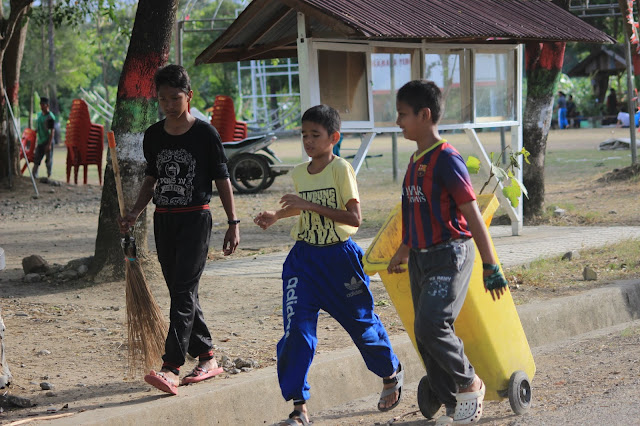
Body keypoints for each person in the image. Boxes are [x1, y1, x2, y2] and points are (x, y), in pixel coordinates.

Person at [254, 104, 403, 425]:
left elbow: (354, 217)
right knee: (295, 333)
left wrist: (307, 204)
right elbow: (303, 209)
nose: (308, 141)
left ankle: (390, 373)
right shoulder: (298, 172)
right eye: (304, 134)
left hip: (340, 260)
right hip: (303, 261)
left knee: (362, 328)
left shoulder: (341, 170)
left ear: (333, 137)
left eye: (315, 135)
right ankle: (299, 407)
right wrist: (277, 215)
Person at [388, 80, 509, 425]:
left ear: (424, 115)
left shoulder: (447, 159)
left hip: (449, 254)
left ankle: (470, 383)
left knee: (432, 325)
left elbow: (472, 216)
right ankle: (454, 404)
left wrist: (490, 265)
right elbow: (415, 213)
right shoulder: (414, 160)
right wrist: (402, 251)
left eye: (403, 115)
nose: (398, 122)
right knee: (423, 335)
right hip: (420, 258)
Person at [118, 64, 240, 396]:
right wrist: (134, 212)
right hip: (164, 219)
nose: (170, 105)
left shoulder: (205, 134)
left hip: (196, 219)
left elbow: (222, 179)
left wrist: (233, 223)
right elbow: (151, 179)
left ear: (189, 96)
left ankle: (171, 367)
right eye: (163, 99)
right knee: (180, 291)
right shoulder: (154, 136)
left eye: (176, 98)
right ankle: (208, 357)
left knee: (183, 290)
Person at [32, 97, 56, 179]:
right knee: (37, 158)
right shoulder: (39, 115)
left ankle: (49, 175)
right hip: (40, 141)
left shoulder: (50, 117)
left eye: (43, 105)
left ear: (47, 105)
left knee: (48, 160)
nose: (42, 106)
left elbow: (52, 131)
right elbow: (39, 125)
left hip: (47, 141)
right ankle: (34, 175)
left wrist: (49, 144)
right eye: (41, 104)